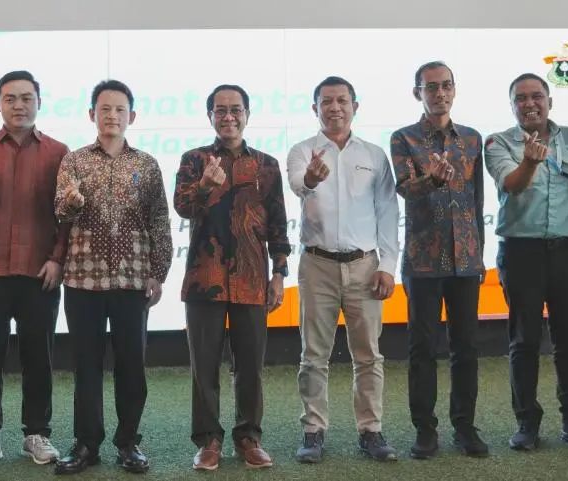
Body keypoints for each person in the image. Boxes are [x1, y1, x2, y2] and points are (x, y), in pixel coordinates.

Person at [53, 79, 172, 475]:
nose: (112, 116)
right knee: (86, 366)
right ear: (92, 114)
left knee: (131, 365)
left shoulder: (146, 165)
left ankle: (128, 443)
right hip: (82, 280)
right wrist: (71, 203)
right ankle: (86, 445)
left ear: (131, 116)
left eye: (120, 109)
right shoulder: (73, 161)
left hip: (132, 280)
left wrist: (158, 272)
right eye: (105, 108)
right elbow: (60, 213)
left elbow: (159, 220)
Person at [484, 73, 568, 452]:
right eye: (520, 98)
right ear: (512, 106)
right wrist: (530, 162)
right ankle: (527, 424)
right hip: (522, 253)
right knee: (525, 341)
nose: (529, 103)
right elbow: (512, 185)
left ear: (550, 101)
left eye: (536, 96)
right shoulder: (498, 142)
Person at [0, 70, 70, 471]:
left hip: (40, 271)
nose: (18, 105)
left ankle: (36, 433)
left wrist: (58, 258)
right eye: (10, 99)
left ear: (39, 102)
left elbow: (67, 214)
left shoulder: (59, 152)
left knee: (39, 357)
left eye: (26, 98)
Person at [173, 84, 290, 471]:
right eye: (220, 110)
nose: (228, 117)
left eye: (235, 109)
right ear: (210, 116)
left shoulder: (267, 165)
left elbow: (278, 224)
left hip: (252, 280)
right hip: (204, 278)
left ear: (247, 114)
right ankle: (208, 440)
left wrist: (279, 273)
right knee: (204, 366)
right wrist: (204, 185)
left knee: (250, 366)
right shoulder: (195, 160)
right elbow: (183, 207)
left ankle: (248, 437)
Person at [286, 76, 400, 463]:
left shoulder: (374, 155)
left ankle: (371, 430)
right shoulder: (302, 151)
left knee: (368, 355)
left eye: (342, 100)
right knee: (313, 354)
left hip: (365, 266)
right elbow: (298, 184)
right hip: (316, 265)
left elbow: (387, 212)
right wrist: (311, 178)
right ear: (314, 108)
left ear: (355, 106)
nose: (335, 107)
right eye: (326, 101)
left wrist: (388, 265)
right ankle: (313, 430)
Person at [390, 61, 488, 459]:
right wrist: (431, 179)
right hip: (423, 262)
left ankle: (465, 427)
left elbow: (477, 201)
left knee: (466, 348)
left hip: (466, 260)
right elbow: (404, 189)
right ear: (418, 92)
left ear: (454, 89)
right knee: (422, 349)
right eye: (431, 87)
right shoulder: (404, 138)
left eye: (446, 85)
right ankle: (425, 430)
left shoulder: (472, 139)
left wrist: (479, 254)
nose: (439, 93)